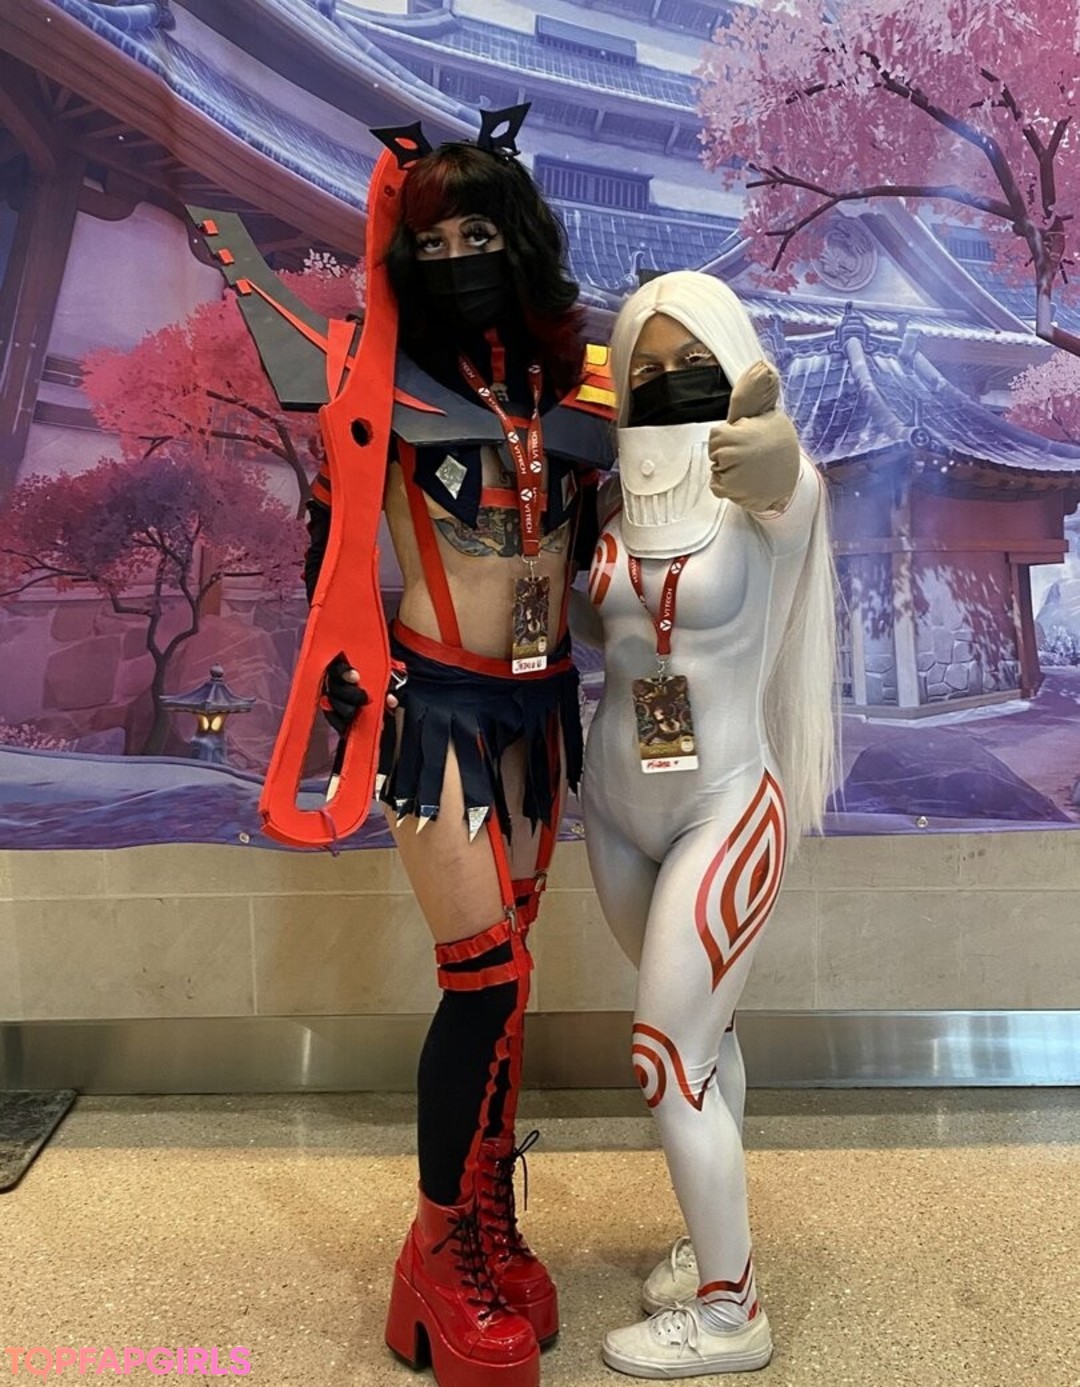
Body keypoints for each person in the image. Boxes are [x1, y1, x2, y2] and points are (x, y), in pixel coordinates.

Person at [304, 114, 614, 1387]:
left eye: (476, 233)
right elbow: (330, 558)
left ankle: (486, 1220)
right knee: (481, 978)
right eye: (428, 245)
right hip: (437, 708)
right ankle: (436, 1250)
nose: (453, 261)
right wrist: (346, 694)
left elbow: (613, 543)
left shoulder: (580, 386)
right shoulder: (375, 385)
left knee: (515, 975)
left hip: (543, 710)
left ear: (518, 239)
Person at [580, 271, 836, 1378]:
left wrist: (776, 457)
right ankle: (710, 1242)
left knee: (666, 1055)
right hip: (614, 809)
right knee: (705, 1039)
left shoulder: (771, 494)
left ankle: (732, 1314)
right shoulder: (618, 508)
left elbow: (789, 484)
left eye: (693, 362)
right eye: (646, 368)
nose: (669, 382)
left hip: (724, 808)